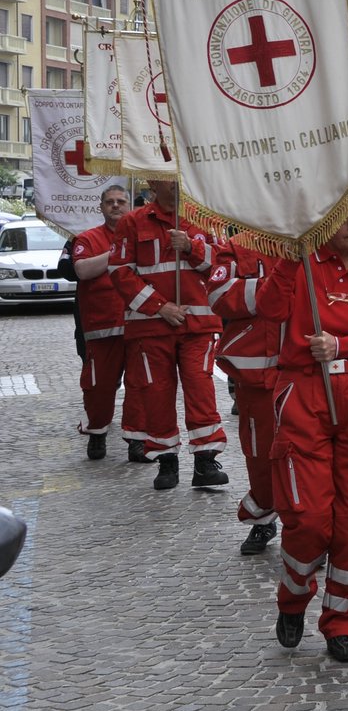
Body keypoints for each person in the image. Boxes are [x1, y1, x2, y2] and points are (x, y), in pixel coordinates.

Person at [256, 203, 348, 663]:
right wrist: (289, 253)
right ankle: (293, 597)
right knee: (309, 517)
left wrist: (345, 345)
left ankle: (343, 622)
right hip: (305, 394)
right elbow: (268, 309)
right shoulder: (301, 267)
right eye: (342, 216)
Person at [107, 179, 229, 490]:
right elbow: (120, 272)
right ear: (152, 183)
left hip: (198, 326)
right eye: (169, 178)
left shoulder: (207, 219)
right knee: (156, 393)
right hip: (151, 326)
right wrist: (160, 307)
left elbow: (222, 265)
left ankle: (205, 462)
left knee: (201, 391)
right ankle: (166, 462)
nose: (177, 183)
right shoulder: (133, 222)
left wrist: (191, 247)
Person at [206, 241, 281, 555]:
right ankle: (263, 517)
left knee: (307, 458)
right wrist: (275, 289)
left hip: (305, 369)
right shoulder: (235, 248)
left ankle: (308, 534)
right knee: (259, 454)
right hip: (254, 376)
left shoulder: (314, 239)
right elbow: (219, 296)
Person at [65, 184, 138, 461]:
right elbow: (82, 270)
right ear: (101, 206)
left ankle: (137, 439)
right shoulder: (87, 237)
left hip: (138, 324)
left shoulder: (141, 236)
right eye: (110, 202)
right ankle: (97, 434)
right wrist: (117, 253)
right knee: (99, 387)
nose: (116, 206)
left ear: (129, 206)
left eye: (121, 201)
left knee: (140, 386)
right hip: (101, 327)